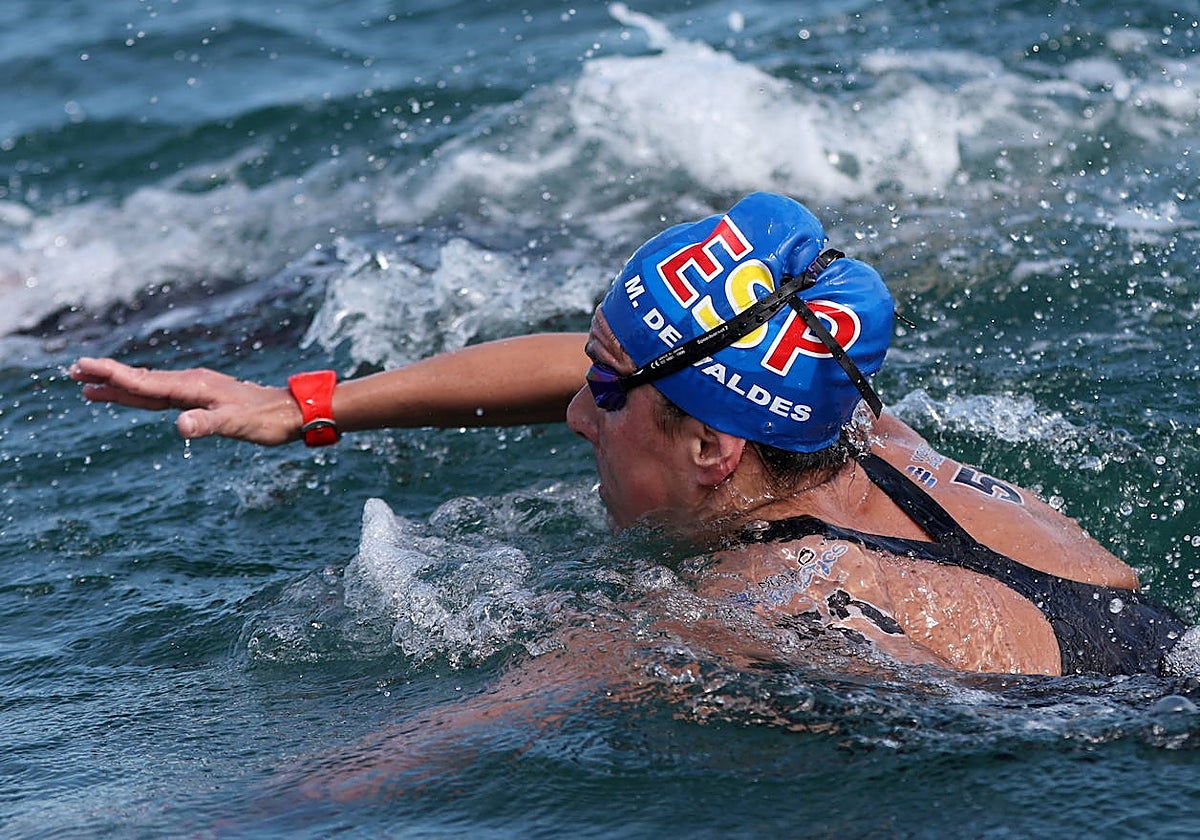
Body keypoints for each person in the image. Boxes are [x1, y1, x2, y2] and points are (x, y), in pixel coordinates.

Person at [70, 192, 1197, 679]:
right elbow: (595, 363)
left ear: (713, 449)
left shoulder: (759, 601)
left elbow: (447, 741)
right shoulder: (857, 423)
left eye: (605, 396)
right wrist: (306, 403)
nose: (574, 412)